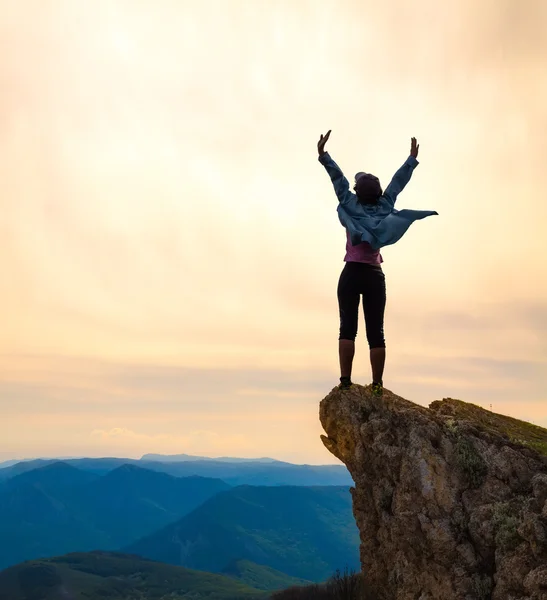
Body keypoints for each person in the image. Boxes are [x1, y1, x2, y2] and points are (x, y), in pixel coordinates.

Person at [317, 130, 438, 396]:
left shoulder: (349, 203)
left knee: (347, 328)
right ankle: (377, 385)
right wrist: (411, 160)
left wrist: (324, 155)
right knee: (376, 332)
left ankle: (346, 382)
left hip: (351, 273)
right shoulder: (386, 205)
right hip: (374, 275)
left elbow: (338, 179)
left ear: (357, 190)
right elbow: (397, 183)